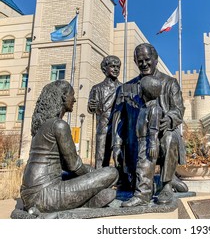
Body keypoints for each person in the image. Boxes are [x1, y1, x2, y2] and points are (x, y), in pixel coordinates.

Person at [20, 80, 118, 213]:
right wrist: (97, 176)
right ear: (63, 97)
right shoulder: (59, 125)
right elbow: (74, 166)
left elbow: (65, 165)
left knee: (94, 177)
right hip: (45, 195)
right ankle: (87, 202)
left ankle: (88, 200)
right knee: (111, 173)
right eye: (72, 95)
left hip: (30, 194)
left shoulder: (41, 126)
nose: (75, 100)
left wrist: (91, 174)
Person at [112, 43, 188, 206]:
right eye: (140, 61)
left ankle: (166, 184)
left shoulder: (170, 83)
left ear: (156, 60)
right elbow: (119, 119)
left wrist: (169, 119)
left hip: (161, 137)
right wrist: (116, 144)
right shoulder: (126, 88)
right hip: (135, 141)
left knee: (169, 137)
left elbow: (178, 109)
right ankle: (144, 185)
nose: (144, 63)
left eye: (147, 59)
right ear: (135, 62)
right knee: (133, 184)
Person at [120, 75, 163, 207]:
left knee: (144, 168)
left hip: (148, 142)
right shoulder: (145, 106)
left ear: (146, 91)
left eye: (140, 88)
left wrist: (152, 144)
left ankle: (142, 195)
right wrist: (127, 97)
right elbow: (135, 101)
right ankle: (145, 193)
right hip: (141, 141)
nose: (138, 90)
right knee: (141, 167)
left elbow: (154, 129)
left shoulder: (154, 109)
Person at [88, 55, 122, 169]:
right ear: (104, 69)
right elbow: (92, 109)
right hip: (103, 125)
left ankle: (120, 179)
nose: (116, 69)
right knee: (101, 155)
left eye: (118, 67)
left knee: (119, 154)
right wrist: (91, 106)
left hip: (118, 125)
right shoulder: (97, 88)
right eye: (113, 66)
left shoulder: (123, 88)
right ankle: (99, 177)